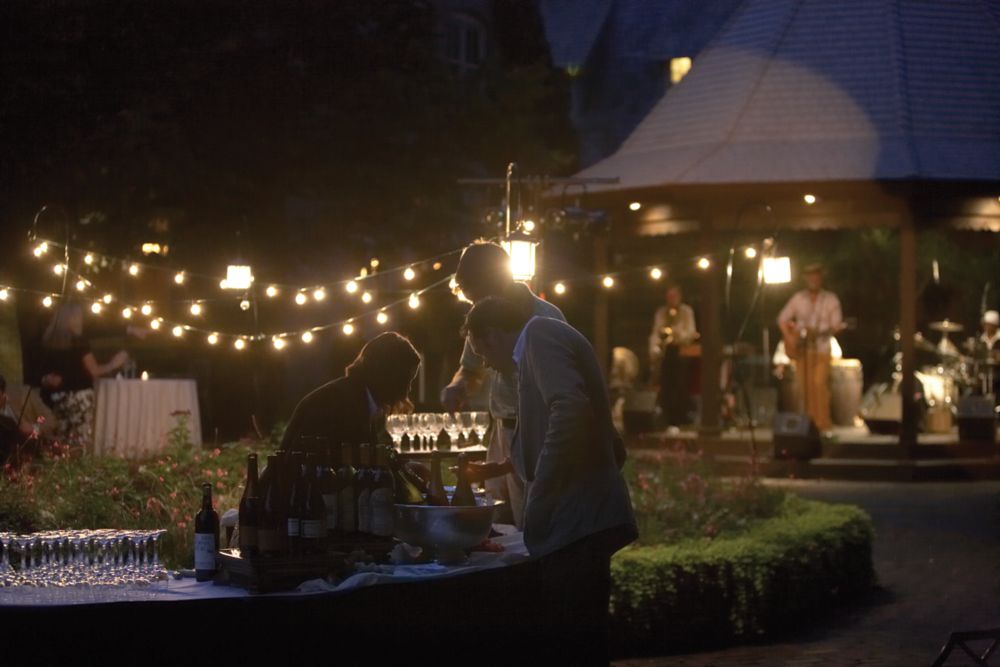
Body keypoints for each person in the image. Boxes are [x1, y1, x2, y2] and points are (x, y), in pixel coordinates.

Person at [462, 297, 637, 664]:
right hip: (579, 517)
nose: (488, 365)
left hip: (574, 523)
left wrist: (542, 488)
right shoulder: (538, 346)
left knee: (572, 639)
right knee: (579, 637)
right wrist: (505, 467)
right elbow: (595, 434)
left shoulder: (540, 335)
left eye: (481, 352)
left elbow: (570, 410)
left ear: (492, 334)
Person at [440, 241, 564, 528]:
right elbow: (471, 368)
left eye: (478, 298)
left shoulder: (544, 320)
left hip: (537, 432)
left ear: (498, 284)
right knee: (497, 523)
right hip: (501, 432)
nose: (475, 307)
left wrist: (513, 461)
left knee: (532, 525)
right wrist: (458, 385)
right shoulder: (482, 315)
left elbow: (562, 408)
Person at [281, 332, 420, 457]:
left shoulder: (356, 395)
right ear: (386, 374)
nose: (408, 389)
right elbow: (352, 465)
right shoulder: (341, 403)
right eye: (406, 380)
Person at [41, 301, 131, 450]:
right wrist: (114, 363)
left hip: (57, 396)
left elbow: (45, 372)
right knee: (79, 439)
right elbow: (94, 370)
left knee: (61, 437)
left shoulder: (49, 340)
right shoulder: (78, 342)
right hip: (79, 397)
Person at [777, 263, 843, 433]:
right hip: (802, 350)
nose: (813, 279)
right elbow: (782, 319)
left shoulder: (830, 299)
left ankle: (822, 423)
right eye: (810, 275)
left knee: (819, 384)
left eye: (816, 275)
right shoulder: (798, 298)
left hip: (821, 348)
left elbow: (836, 324)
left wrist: (824, 330)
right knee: (805, 386)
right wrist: (791, 339)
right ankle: (809, 423)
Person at [648, 284, 699, 427]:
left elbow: (691, 332)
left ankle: (680, 418)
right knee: (666, 386)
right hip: (665, 354)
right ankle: (666, 417)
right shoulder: (661, 312)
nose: (671, 299)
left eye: (673, 296)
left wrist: (677, 333)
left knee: (680, 386)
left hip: (681, 353)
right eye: (668, 297)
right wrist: (654, 348)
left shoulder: (686, 312)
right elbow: (656, 332)